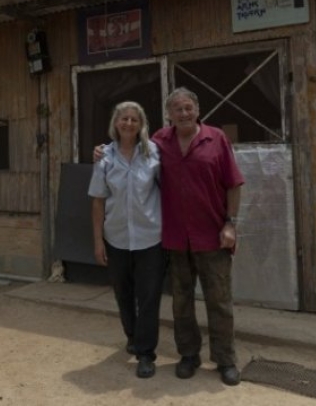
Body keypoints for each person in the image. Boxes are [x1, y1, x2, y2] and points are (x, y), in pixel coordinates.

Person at [94, 87, 245, 386]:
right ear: (168, 115)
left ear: (198, 109)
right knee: (181, 302)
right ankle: (189, 355)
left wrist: (230, 223)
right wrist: (100, 150)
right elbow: (125, 144)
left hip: (212, 235)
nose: (184, 113)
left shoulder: (216, 139)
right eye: (177, 109)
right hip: (175, 238)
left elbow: (234, 183)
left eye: (188, 108)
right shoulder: (160, 142)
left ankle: (225, 360)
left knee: (219, 300)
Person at [88, 101, 166, 379]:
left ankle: (146, 354)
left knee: (148, 297)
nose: (129, 123)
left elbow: (166, 190)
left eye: (134, 119)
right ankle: (132, 336)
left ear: (142, 123)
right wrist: (98, 241)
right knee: (123, 293)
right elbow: (98, 201)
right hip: (117, 238)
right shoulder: (104, 157)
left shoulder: (154, 152)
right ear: (116, 123)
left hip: (150, 237)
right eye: (124, 119)